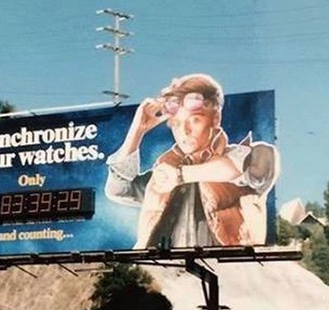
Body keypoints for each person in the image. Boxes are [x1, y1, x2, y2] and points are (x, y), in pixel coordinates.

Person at [105, 73, 279, 249]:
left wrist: (182, 175)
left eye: (194, 120)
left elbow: (255, 168)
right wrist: (137, 131)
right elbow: (118, 189)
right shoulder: (165, 171)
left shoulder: (256, 154)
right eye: (177, 123)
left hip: (227, 271)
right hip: (165, 271)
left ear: (216, 118)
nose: (185, 131)